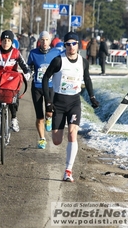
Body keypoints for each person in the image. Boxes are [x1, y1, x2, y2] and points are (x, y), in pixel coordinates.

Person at [42, 31, 99, 182]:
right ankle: (50, 121)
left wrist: (92, 97)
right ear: (64, 45)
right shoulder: (58, 61)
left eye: (74, 43)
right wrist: (48, 102)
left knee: (73, 134)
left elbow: (87, 79)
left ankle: (68, 170)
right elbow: (46, 77)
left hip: (74, 102)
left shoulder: (83, 62)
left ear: (78, 45)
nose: (71, 47)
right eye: (68, 44)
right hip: (59, 102)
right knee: (56, 140)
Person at [27, 31, 62, 150]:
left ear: (50, 40)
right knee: (39, 116)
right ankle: (42, 138)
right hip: (36, 87)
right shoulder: (33, 53)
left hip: (50, 87)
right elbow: (29, 67)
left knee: (49, 112)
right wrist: (29, 72)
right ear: (39, 41)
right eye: (42, 40)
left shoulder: (56, 52)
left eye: (47, 40)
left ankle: (49, 118)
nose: (44, 42)